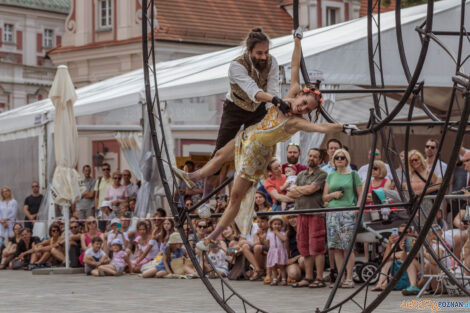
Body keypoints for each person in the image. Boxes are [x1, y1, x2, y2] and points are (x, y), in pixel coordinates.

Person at [175, 32, 355, 250]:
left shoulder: (294, 122)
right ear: (299, 95)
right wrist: (297, 40)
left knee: (235, 197)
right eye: (304, 102)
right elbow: (295, 66)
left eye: (308, 109)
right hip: (250, 135)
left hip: (257, 154)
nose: (303, 108)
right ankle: (191, 177)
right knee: (221, 153)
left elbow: (320, 126)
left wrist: (342, 126)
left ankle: (213, 236)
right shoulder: (289, 95)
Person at [200, 27, 289, 199]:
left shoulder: (272, 62)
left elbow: (273, 89)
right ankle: (206, 197)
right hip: (235, 109)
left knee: (254, 150)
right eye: (259, 53)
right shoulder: (236, 66)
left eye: (266, 52)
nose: (263, 57)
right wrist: (275, 100)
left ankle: (248, 196)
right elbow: (253, 92)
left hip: (258, 110)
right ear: (249, 51)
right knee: (219, 151)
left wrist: (274, 115)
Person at [322, 149, 363, 288]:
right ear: (333, 160)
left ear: (347, 159)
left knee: (347, 247)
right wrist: (334, 195)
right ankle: (341, 277)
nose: (340, 159)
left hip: (348, 212)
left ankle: (350, 278)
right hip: (332, 212)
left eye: (342, 157)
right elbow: (324, 196)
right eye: (337, 157)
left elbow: (360, 194)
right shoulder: (330, 176)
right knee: (336, 248)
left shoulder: (353, 174)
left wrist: (357, 209)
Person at [287, 148, 327, 288]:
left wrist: (301, 190)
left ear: (320, 160)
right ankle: (308, 278)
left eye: (315, 157)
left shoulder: (322, 174)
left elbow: (311, 190)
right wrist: (305, 189)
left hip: (316, 214)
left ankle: (320, 278)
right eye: (310, 156)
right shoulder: (301, 174)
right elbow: (291, 193)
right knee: (304, 247)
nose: (312, 159)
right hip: (301, 213)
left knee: (317, 247)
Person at [266, 215, 288, 286]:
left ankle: (284, 280)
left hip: (280, 251)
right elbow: (267, 243)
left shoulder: (282, 233)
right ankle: (275, 279)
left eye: (279, 224)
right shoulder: (269, 234)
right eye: (275, 224)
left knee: (281, 267)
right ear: (271, 225)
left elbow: (284, 239)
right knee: (273, 267)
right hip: (272, 251)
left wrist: (277, 233)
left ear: (281, 225)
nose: (277, 225)